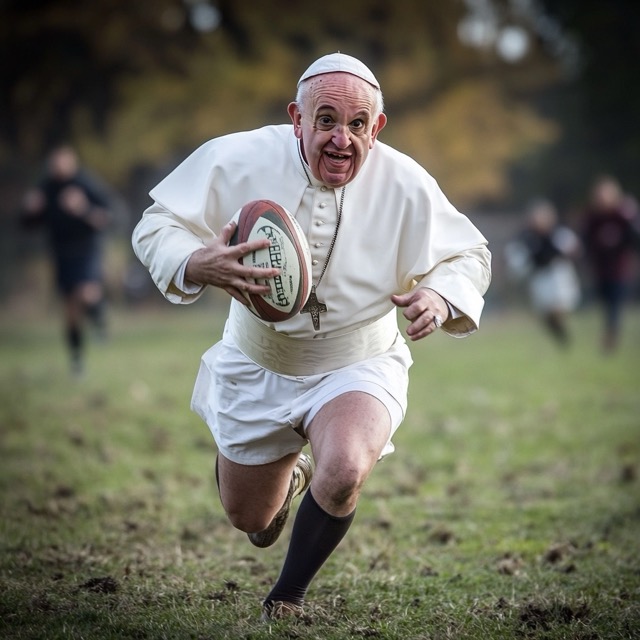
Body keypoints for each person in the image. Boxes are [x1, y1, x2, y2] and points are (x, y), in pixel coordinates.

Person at [132, 53, 491, 620]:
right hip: (259, 362)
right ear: (296, 119)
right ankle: (289, 473)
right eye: (325, 120)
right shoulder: (238, 157)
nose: (341, 139)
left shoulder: (405, 181)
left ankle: (287, 597)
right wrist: (198, 262)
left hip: (358, 361)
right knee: (250, 520)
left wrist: (440, 296)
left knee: (346, 469)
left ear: (378, 127)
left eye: (356, 124)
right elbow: (156, 224)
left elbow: (467, 252)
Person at [21, 144, 112, 375]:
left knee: (87, 292)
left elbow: (109, 218)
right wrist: (31, 210)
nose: (59, 166)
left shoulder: (86, 184)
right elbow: (28, 224)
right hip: (61, 253)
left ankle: (100, 321)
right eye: (55, 161)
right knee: (71, 312)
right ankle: (77, 360)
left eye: (63, 160)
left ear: (72, 161)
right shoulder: (46, 188)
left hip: (86, 249)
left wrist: (82, 209)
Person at [504, 199, 581, 347]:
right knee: (546, 314)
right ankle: (560, 336)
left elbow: (573, 248)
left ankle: (561, 329)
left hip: (558, 273)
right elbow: (516, 258)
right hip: (539, 277)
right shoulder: (526, 238)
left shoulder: (558, 233)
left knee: (558, 307)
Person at [581, 175, 640, 354]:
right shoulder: (593, 217)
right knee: (605, 302)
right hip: (600, 268)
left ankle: (611, 335)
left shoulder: (623, 215)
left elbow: (634, 238)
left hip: (619, 269)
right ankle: (610, 331)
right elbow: (586, 240)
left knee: (615, 303)